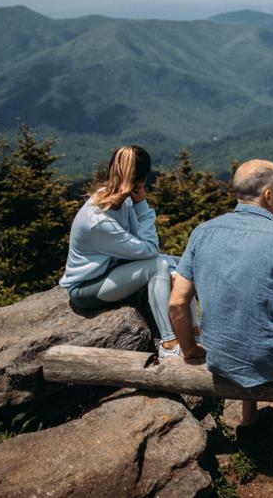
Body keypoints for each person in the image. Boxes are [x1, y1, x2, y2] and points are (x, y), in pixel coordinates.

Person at [168, 159, 273, 434]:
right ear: (268, 195)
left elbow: (177, 302)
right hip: (271, 365)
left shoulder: (202, 232)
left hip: (218, 357)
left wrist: (189, 350)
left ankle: (249, 419)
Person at [59, 145, 195, 359]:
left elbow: (140, 246)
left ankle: (194, 333)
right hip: (86, 289)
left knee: (185, 264)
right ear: (140, 180)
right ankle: (169, 344)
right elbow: (150, 251)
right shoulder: (99, 220)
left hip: (112, 271)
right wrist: (143, 206)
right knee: (158, 267)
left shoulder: (119, 200)